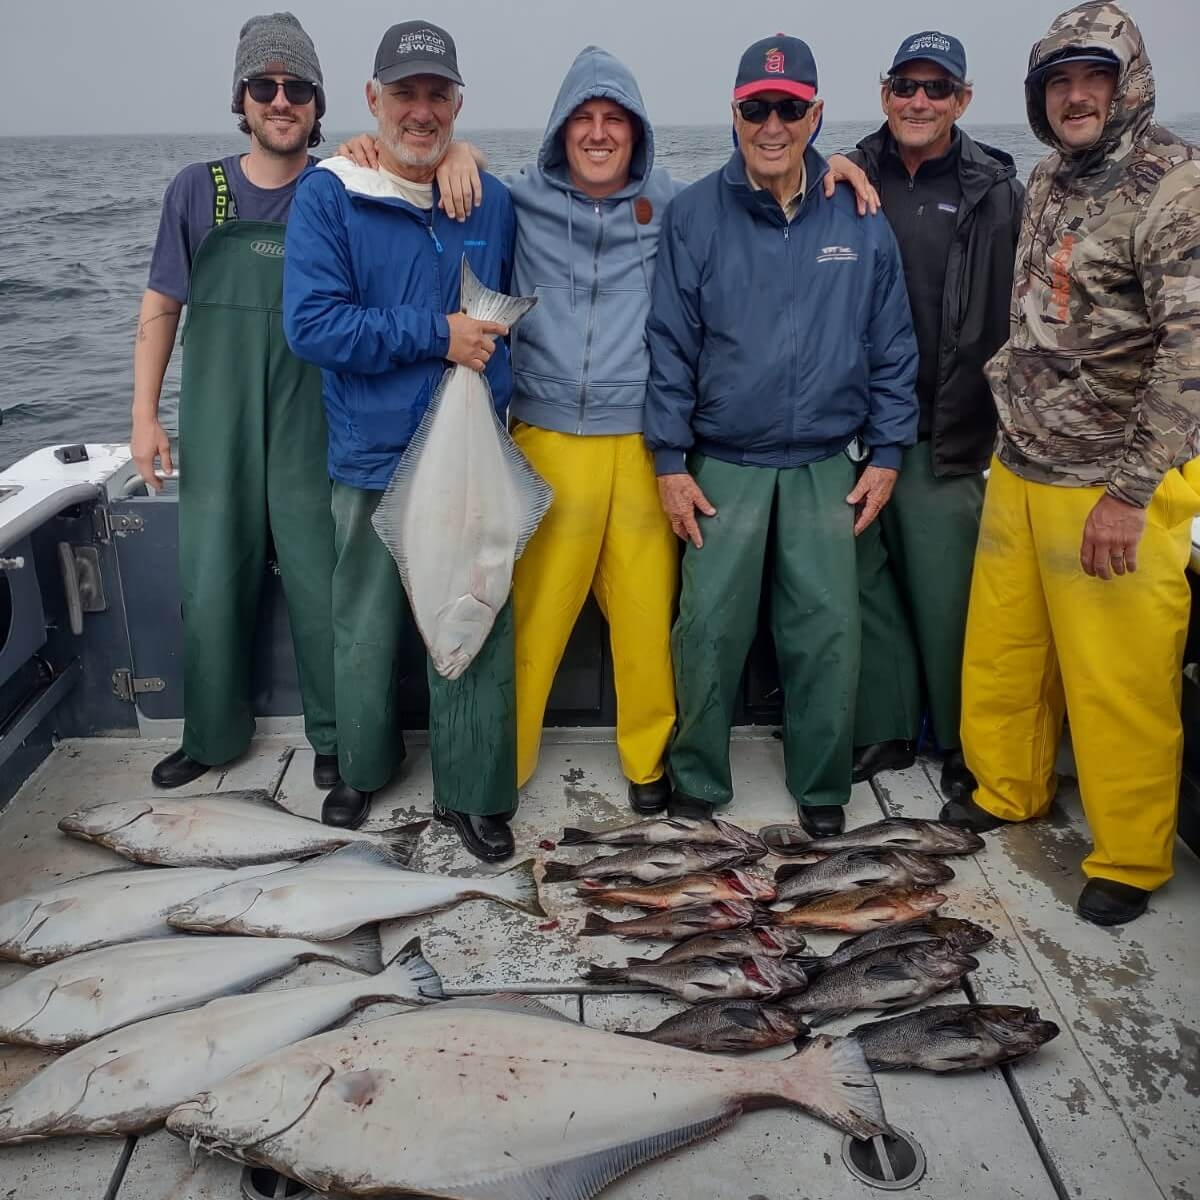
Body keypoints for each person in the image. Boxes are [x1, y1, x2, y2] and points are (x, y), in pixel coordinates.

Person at [335, 50, 879, 815]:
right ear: (561, 131)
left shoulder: (679, 205)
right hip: (546, 439)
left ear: (637, 133)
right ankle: (504, 762)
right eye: (583, 120)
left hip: (641, 443)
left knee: (647, 619)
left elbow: (766, 188)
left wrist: (842, 164)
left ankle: (649, 762)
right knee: (530, 620)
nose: (597, 134)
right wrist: (457, 149)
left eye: (613, 121)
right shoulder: (517, 199)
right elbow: (439, 167)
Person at [948, 2, 1200, 926]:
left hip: (1115, 480)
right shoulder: (1050, 174)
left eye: (1094, 77)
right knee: (1007, 652)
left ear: (1128, 81)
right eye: (1059, 81)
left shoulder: (1176, 184)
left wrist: (1132, 496)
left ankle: (1130, 856)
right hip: (1022, 464)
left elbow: (1192, 353)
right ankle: (1008, 790)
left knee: (1119, 680)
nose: (1076, 95)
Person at [645, 33, 919, 837]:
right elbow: (669, 344)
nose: (773, 124)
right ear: (733, 113)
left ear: (816, 115)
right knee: (705, 631)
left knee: (828, 632)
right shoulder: (693, 213)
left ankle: (823, 784)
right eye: (756, 107)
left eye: (790, 108)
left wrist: (890, 450)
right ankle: (698, 778)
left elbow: (891, 342)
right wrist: (668, 458)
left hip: (826, 463)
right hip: (721, 461)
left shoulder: (858, 212)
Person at [282, 21, 521, 859]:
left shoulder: (490, 197)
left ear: (457, 103)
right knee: (367, 620)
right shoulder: (328, 193)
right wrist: (438, 334)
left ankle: (476, 790)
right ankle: (362, 762)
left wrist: (474, 157)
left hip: (469, 460)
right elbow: (312, 326)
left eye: (437, 95)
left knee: (477, 615)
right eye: (405, 94)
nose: (421, 112)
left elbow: (508, 311)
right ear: (372, 99)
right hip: (373, 455)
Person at [131, 12, 338, 795]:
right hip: (216, 422)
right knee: (210, 574)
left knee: (325, 577)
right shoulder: (197, 189)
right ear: (242, 99)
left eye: (297, 87)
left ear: (318, 104)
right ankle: (212, 735)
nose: (280, 100)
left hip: (311, 420)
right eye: (265, 85)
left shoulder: (337, 186)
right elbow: (161, 303)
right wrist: (144, 415)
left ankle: (338, 733)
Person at [845, 32, 1023, 799]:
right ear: (885, 92)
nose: (920, 101)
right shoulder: (842, 172)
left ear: (964, 100)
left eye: (937, 89)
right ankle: (885, 730)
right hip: (850, 426)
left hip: (946, 430)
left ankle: (961, 742)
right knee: (863, 586)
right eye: (906, 86)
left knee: (952, 600)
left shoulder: (998, 189)